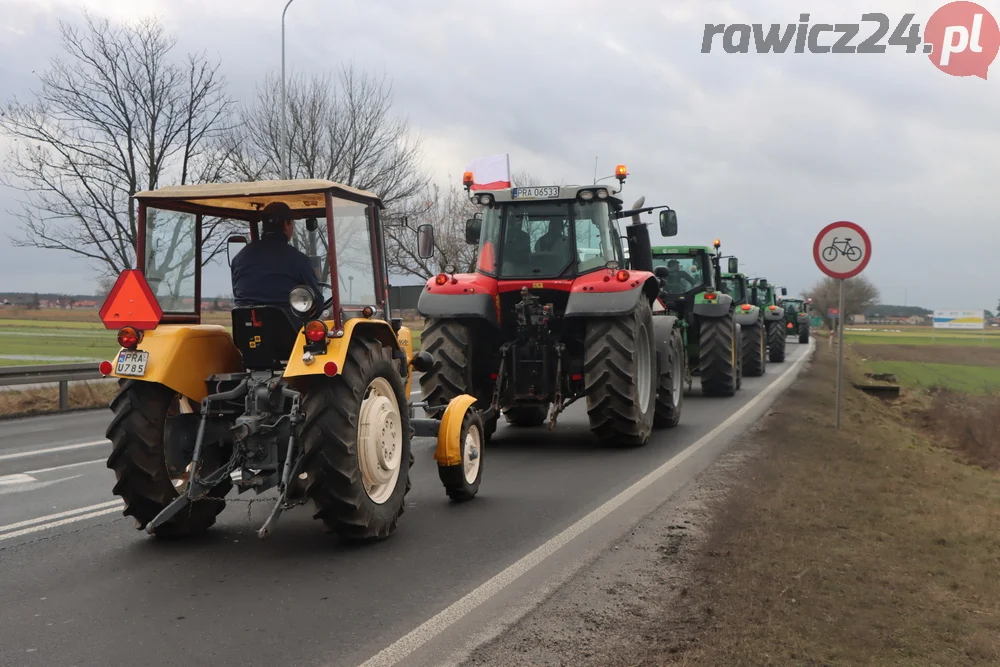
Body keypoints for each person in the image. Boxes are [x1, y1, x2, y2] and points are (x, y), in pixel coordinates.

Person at [231, 201, 323, 309]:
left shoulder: (239, 259)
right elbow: (316, 304)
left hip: (244, 324)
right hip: (286, 325)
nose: (292, 228)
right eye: (292, 224)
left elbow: (237, 293)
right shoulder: (298, 260)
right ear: (286, 224)